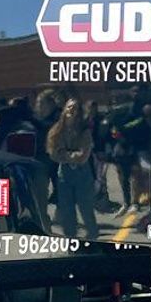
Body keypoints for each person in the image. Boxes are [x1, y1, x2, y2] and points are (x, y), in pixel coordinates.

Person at [47, 97, 100, 240]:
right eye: (69, 107)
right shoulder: (56, 131)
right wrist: (70, 155)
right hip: (64, 174)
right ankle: (71, 238)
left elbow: (83, 156)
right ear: (64, 110)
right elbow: (52, 153)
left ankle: (93, 236)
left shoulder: (85, 132)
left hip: (83, 174)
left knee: (86, 208)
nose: (72, 110)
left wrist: (64, 154)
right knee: (67, 210)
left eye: (75, 108)